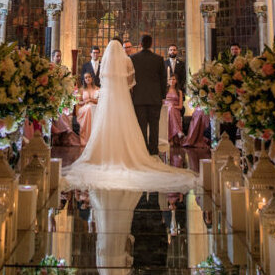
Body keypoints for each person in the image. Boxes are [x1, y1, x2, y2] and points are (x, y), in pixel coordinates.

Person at [61, 38, 196, 191]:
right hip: (130, 98)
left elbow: (103, 81)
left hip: (111, 100)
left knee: (111, 124)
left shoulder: (121, 60)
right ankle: (147, 152)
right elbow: (134, 81)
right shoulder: (133, 60)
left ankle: (109, 154)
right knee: (137, 124)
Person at [130, 34, 167, 156]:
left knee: (141, 127)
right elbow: (163, 80)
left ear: (140, 44)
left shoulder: (133, 58)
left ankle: (142, 151)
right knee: (154, 126)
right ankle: (153, 151)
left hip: (139, 98)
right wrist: (162, 96)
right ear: (151, 44)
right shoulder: (159, 59)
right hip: (155, 98)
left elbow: (131, 79)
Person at [76, 71, 99, 146]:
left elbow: (100, 101)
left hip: (95, 108)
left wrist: (91, 100)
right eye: (86, 78)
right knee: (88, 108)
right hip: (83, 108)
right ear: (84, 80)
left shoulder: (97, 89)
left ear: (92, 78)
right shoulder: (81, 90)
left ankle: (93, 139)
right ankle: (85, 139)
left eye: (89, 77)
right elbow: (78, 102)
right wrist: (85, 102)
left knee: (90, 108)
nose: (87, 79)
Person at [165, 73, 184, 143]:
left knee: (171, 109)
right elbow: (162, 102)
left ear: (176, 81)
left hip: (175, 110)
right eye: (170, 79)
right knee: (170, 108)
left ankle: (175, 134)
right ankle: (178, 131)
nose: (172, 81)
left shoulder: (179, 92)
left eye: (174, 79)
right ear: (168, 81)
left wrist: (173, 106)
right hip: (166, 110)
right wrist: (169, 106)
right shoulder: (165, 90)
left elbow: (180, 106)